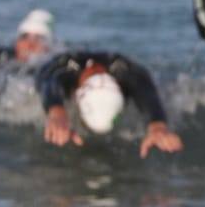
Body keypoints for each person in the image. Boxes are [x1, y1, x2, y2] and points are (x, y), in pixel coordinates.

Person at [35, 50, 183, 158]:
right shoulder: (62, 71)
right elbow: (49, 82)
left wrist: (158, 128)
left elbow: (146, 92)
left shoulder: (130, 75)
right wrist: (57, 113)